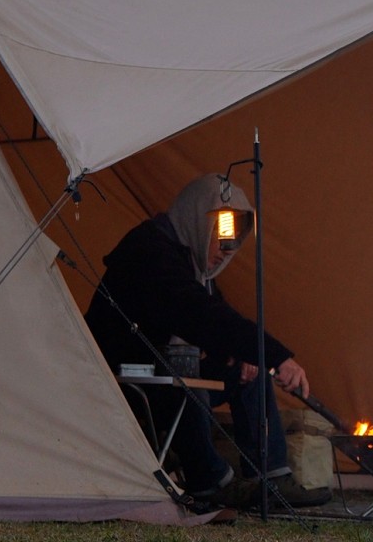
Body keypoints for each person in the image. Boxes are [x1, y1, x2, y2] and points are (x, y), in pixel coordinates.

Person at [83, 173, 330, 509]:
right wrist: (277, 356)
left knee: (249, 369)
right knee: (185, 368)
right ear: (199, 220)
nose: (227, 249)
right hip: (123, 379)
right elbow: (201, 316)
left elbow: (214, 319)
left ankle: (269, 479)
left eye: (234, 238)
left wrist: (245, 357)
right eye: (221, 235)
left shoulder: (194, 266)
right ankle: (209, 481)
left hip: (165, 373)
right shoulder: (150, 251)